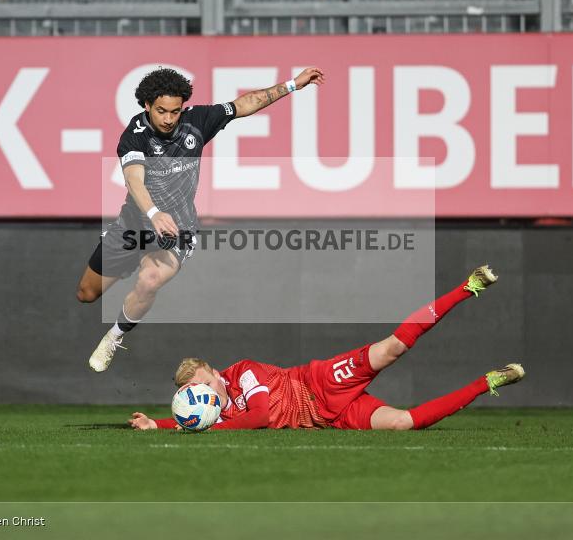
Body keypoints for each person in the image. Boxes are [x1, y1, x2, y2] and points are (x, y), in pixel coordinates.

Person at [78, 66, 326, 372]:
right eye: (161, 111)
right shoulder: (134, 136)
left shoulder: (196, 121)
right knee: (87, 294)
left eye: (175, 111)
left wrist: (291, 85)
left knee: (150, 280)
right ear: (146, 106)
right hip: (134, 227)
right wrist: (154, 213)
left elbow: (244, 104)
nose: (169, 119)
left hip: (178, 229)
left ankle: (114, 336)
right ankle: (131, 262)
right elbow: (134, 180)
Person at [129, 265, 525, 431]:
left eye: (204, 388)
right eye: (198, 397)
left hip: (319, 384)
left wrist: (202, 432)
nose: (205, 399)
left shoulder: (241, 373)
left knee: (390, 349)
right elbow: (197, 420)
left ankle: (466, 287)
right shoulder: (216, 410)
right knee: (404, 423)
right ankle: (486, 382)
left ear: (214, 373)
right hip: (328, 418)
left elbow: (264, 414)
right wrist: (158, 425)